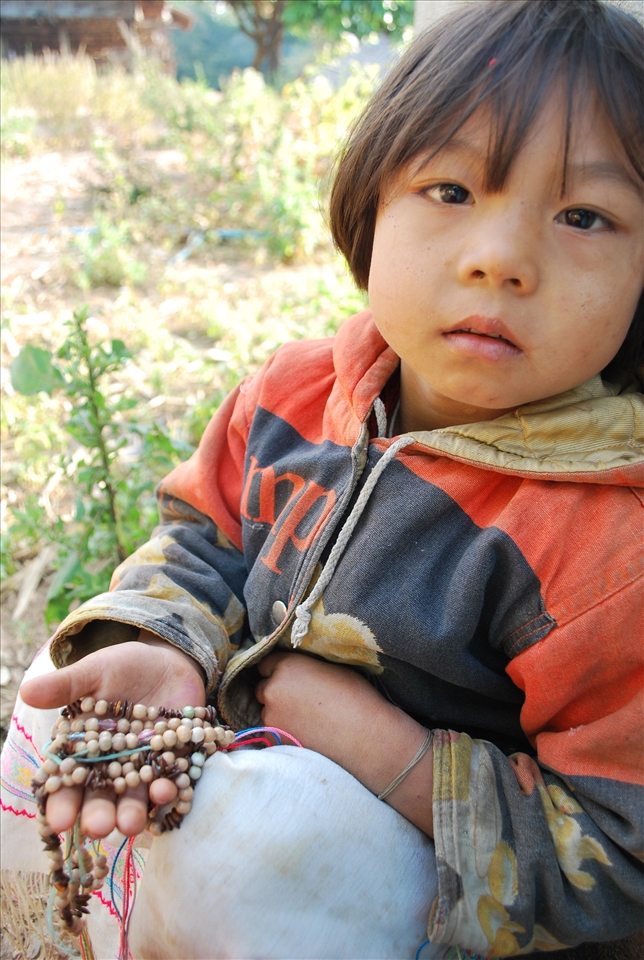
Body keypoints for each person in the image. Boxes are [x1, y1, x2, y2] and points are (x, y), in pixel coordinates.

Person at [2, 1, 643, 957]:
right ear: (370, 201)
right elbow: (201, 541)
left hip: (412, 903)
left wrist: (394, 759)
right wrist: (168, 643)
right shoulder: (295, 396)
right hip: (240, 796)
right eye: (452, 190)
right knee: (59, 688)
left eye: (583, 215)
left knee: (258, 839)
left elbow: (619, 862)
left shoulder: (605, 550)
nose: (500, 260)